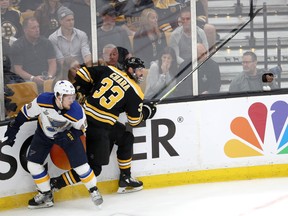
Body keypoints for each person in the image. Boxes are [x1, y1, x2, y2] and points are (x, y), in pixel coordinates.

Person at [50, 57, 157, 194]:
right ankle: (55, 184)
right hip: (99, 129)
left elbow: (82, 73)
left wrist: (86, 90)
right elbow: (134, 121)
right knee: (94, 169)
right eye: (140, 70)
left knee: (125, 137)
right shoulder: (136, 92)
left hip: (83, 118)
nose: (142, 73)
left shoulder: (109, 69)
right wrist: (147, 112)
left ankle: (125, 177)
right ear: (130, 70)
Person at [1, 80, 103, 209]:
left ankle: (93, 190)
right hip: (44, 135)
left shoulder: (76, 111)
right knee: (33, 165)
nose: (72, 100)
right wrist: (14, 128)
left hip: (66, 136)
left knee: (81, 167)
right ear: (59, 96)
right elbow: (25, 113)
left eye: (73, 97)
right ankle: (46, 194)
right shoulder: (43, 100)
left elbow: (82, 129)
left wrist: (70, 135)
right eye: (69, 97)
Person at [10, 16, 57, 92]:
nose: (37, 30)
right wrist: (33, 78)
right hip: (28, 79)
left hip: (46, 77)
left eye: (38, 27)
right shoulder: (18, 46)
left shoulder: (46, 42)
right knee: (30, 85)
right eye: (33, 28)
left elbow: (52, 62)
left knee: (56, 84)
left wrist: (49, 76)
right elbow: (18, 70)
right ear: (25, 30)